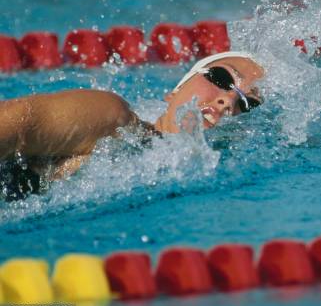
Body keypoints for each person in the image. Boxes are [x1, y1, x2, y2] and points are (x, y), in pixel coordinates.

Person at [0, 51, 264, 200]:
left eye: (247, 104)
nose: (227, 101)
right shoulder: (112, 118)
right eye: (222, 78)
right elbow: (11, 120)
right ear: (177, 89)